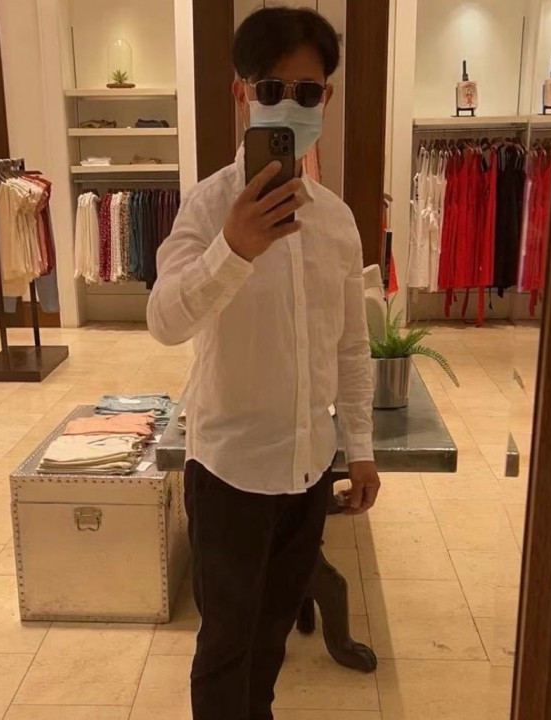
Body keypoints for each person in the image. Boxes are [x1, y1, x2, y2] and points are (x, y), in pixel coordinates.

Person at [147, 7, 380, 719]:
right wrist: (234, 250)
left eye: (306, 92)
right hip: (230, 474)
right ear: (241, 93)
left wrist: (361, 449)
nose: (288, 104)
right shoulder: (207, 207)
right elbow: (164, 321)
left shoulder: (337, 220)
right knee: (225, 646)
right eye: (271, 88)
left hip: (309, 470)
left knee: (273, 634)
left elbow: (351, 345)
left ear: (326, 100)